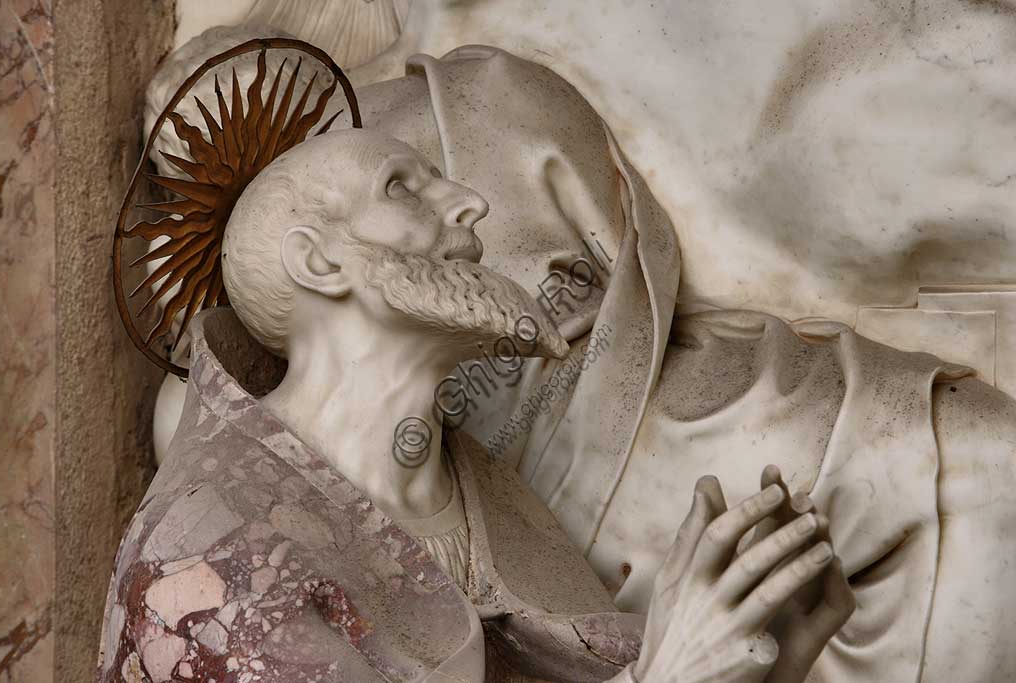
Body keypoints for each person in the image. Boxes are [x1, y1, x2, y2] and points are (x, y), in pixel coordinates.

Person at [97, 129, 852, 682]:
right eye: (403, 186)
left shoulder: (487, 503)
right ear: (319, 263)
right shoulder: (205, 555)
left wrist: (761, 656)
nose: (472, 204)